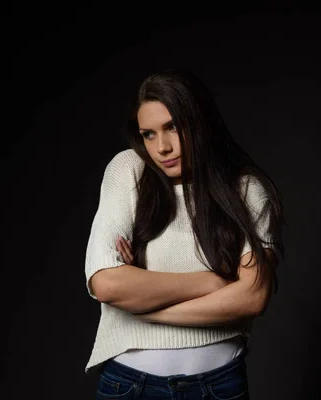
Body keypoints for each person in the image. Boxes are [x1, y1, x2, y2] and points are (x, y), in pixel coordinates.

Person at [84, 69, 285, 399]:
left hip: (218, 386)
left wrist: (144, 310)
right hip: (130, 385)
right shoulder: (128, 170)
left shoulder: (247, 190)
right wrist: (212, 281)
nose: (162, 147)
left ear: (200, 122)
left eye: (173, 127)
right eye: (148, 134)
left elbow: (251, 297)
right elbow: (106, 283)